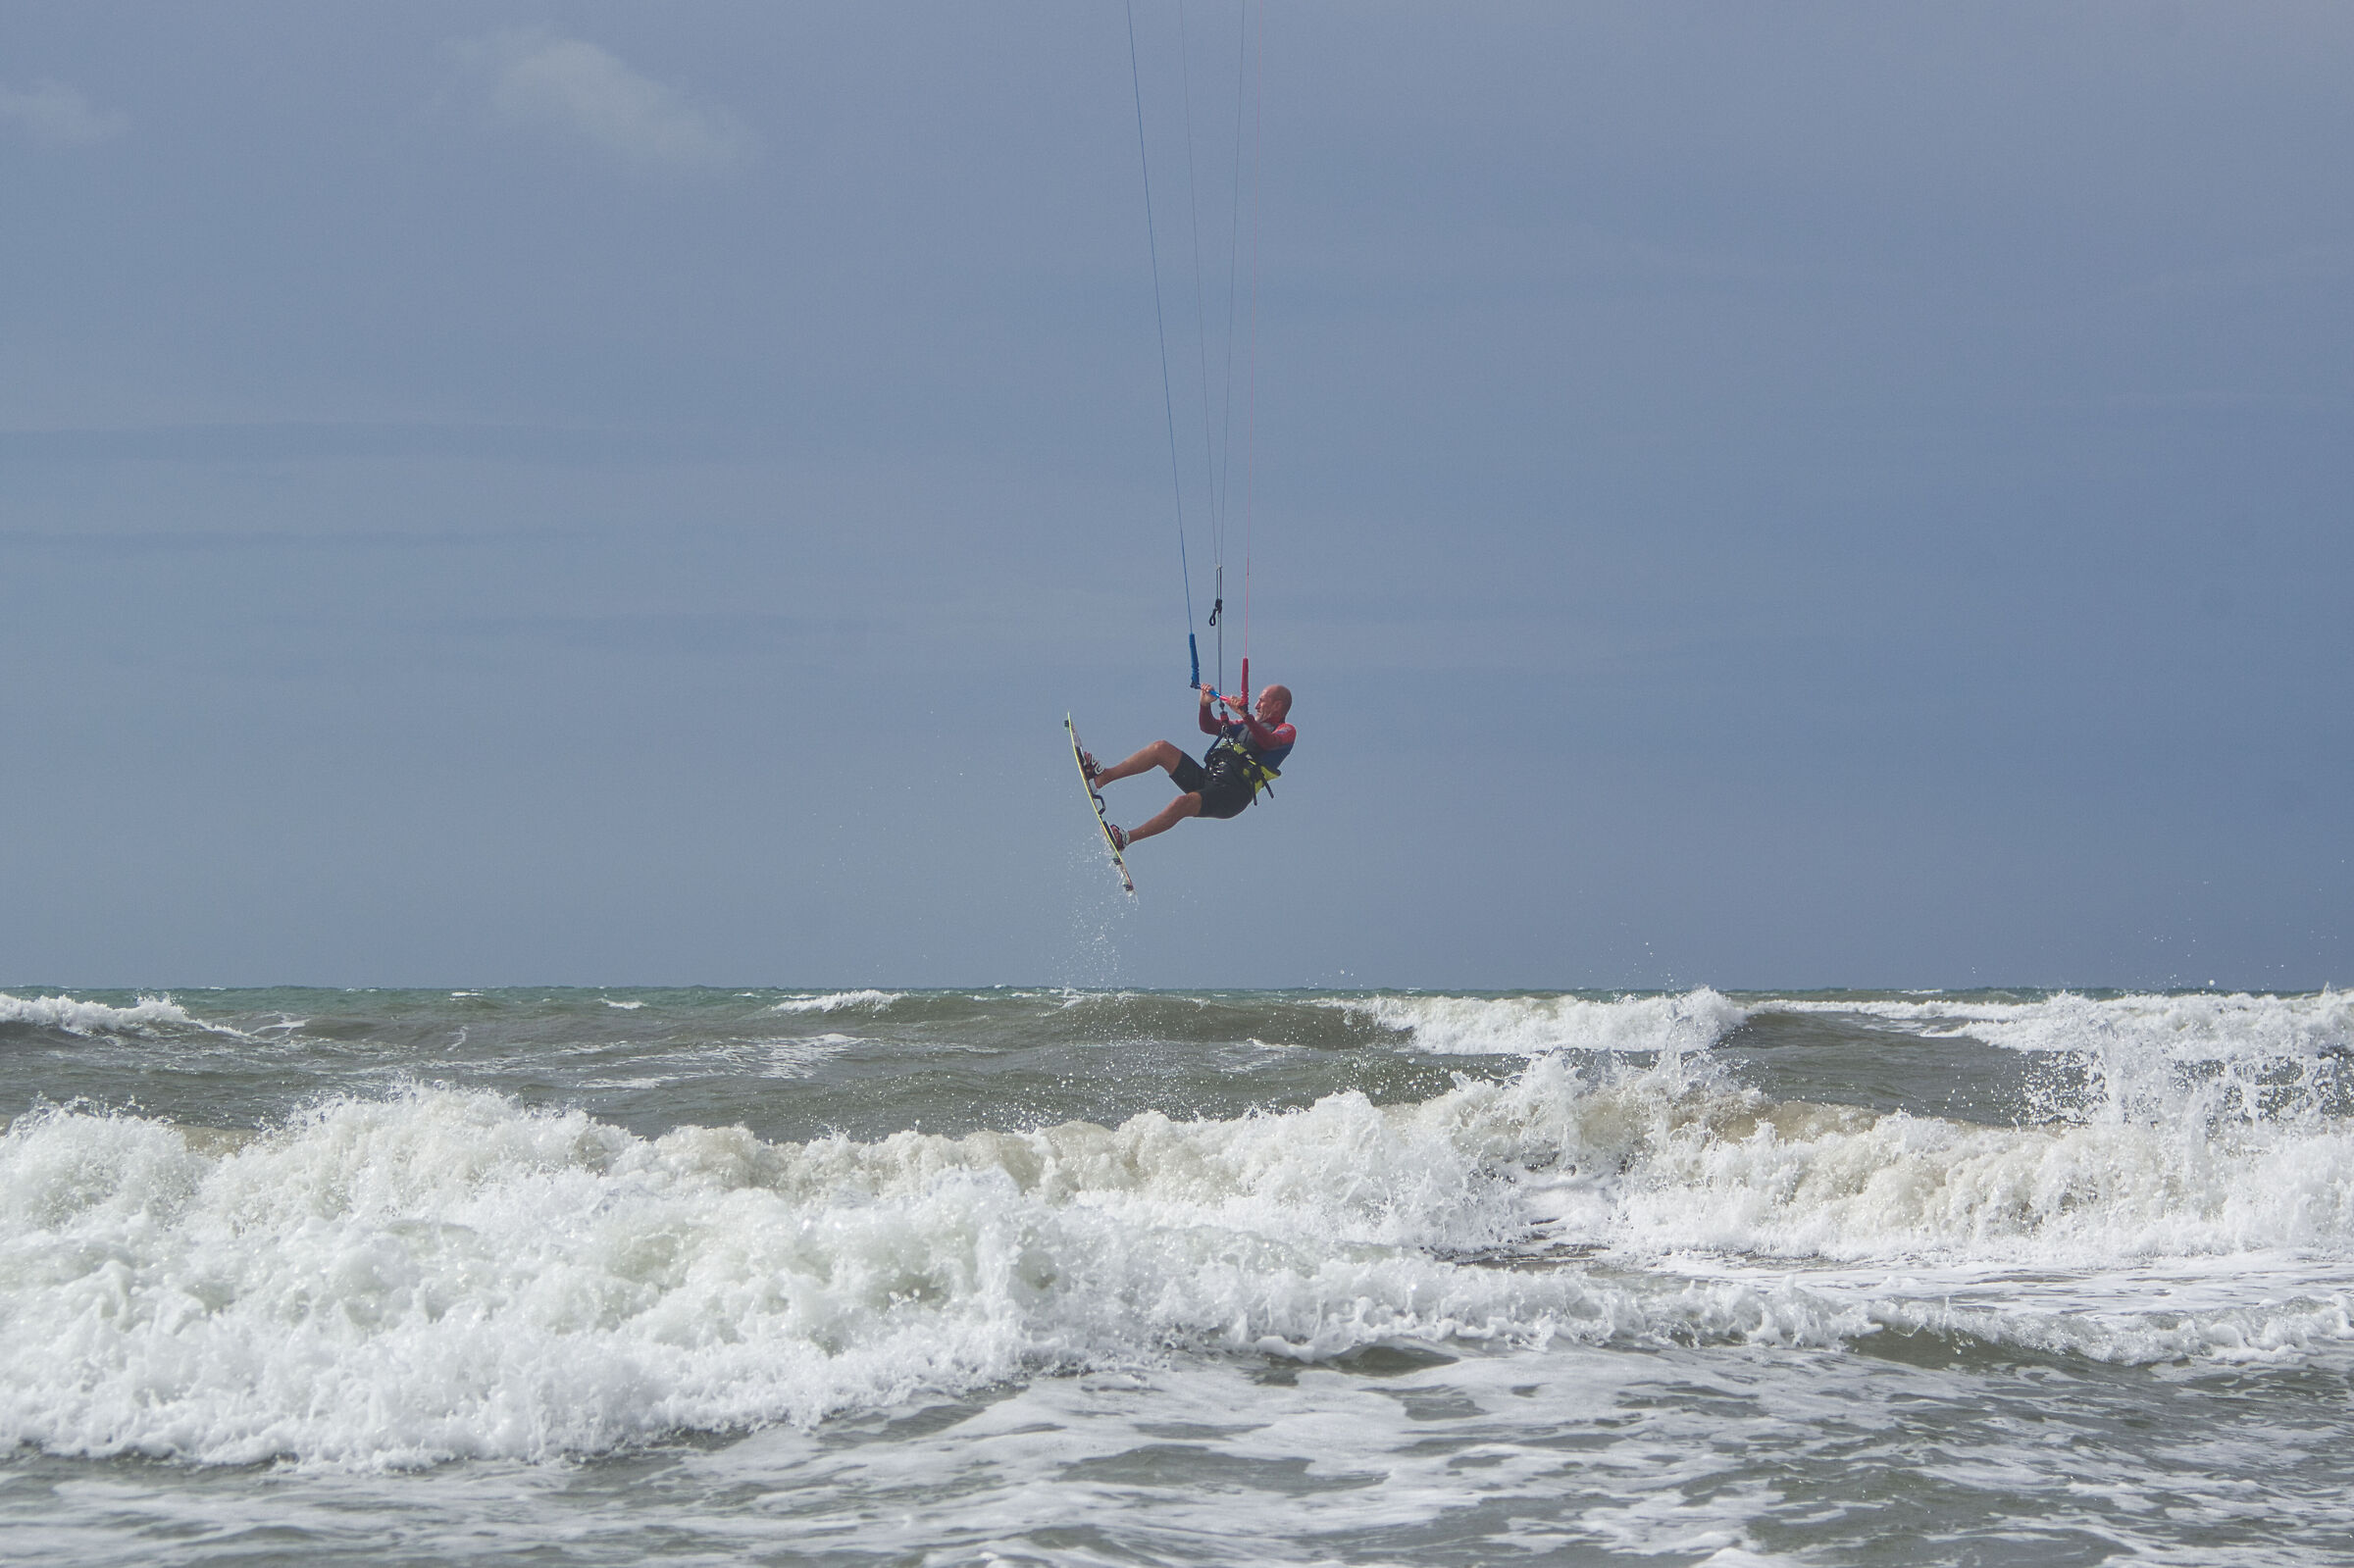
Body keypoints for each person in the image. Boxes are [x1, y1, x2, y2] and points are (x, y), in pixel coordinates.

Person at [1083, 683, 1295, 850]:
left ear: (1277, 705)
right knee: (1161, 748)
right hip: (1209, 779)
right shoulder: (1243, 725)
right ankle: (1102, 778)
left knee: (1182, 803)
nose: (1256, 705)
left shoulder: (1286, 730)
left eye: (1261, 701)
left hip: (1232, 795)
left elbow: (1269, 742)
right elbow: (1209, 727)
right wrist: (1205, 704)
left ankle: (1126, 839)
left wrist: (1246, 716)